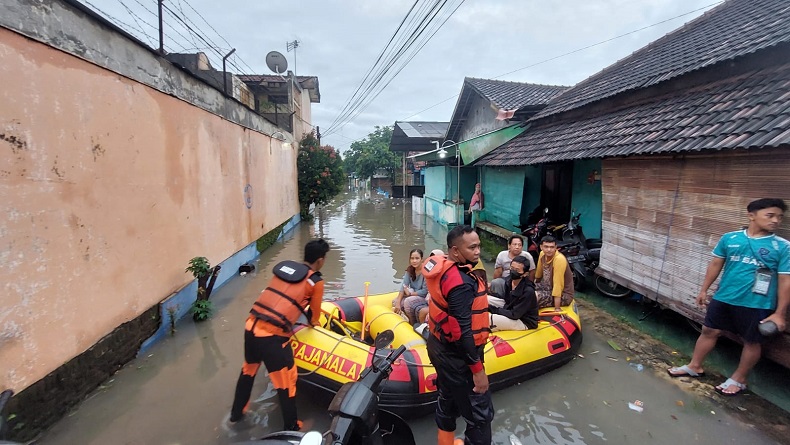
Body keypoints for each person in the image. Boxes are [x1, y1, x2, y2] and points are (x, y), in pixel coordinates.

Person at [668, 198, 789, 396]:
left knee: (751, 341)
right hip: (724, 297)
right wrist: (704, 289)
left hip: (757, 302)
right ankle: (695, 366)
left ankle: (739, 379)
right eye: (770, 215)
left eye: (780, 217)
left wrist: (780, 313)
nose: (776, 221)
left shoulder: (782, 247)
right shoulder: (730, 238)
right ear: (751, 215)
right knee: (709, 330)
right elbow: (716, 264)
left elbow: (786, 281)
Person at [229, 239, 330, 429]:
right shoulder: (316, 281)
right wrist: (313, 322)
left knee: (248, 371)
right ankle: (292, 427)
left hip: (251, 326)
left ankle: (236, 415)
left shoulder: (286, 270)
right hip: (272, 337)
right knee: (286, 381)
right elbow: (314, 317)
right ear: (320, 260)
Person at [423, 225, 493, 445]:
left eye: (478, 246)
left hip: (438, 346)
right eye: (472, 247)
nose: (478, 252)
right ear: (455, 251)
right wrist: (477, 370)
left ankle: (445, 442)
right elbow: (463, 332)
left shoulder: (443, 266)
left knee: (447, 397)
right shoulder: (461, 284)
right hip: (458, 357)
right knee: (479, 415)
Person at [487, 255, 539, 331]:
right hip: (510, 307)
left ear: (525, 274)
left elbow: (515, 314)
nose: (513, 271)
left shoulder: (528, 291)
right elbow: (506, 300)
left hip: (522, 320)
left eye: (517, 270)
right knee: (485, 298)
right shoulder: (509, 281)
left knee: (488, 318)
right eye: (512, 268)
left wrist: (492, 309)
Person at [534, 235, 574, 311]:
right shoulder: (542, 254)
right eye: (546, 247)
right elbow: (538, 273)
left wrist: (557, 308)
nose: (549, 250)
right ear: (541, 247)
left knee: (533, 296)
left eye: (552, 247)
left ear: (556, 247)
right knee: (526, 288)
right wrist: (535, 285)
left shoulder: (559, 259)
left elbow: (558, 284)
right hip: (548, 287)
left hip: (563, 295)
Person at [393, 248, 429, 325]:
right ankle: (403, 318)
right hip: (412, 293)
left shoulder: (425, 271)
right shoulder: (410, 270)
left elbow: (424, 291)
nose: (414, 261)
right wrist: (398, 303)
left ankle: (412, 323)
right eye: (412, 258)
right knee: (395, 302)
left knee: (407, 301)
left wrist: (410, 294)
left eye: (417, 258)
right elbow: (404, 285)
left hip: (422, 296)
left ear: (421, 259)